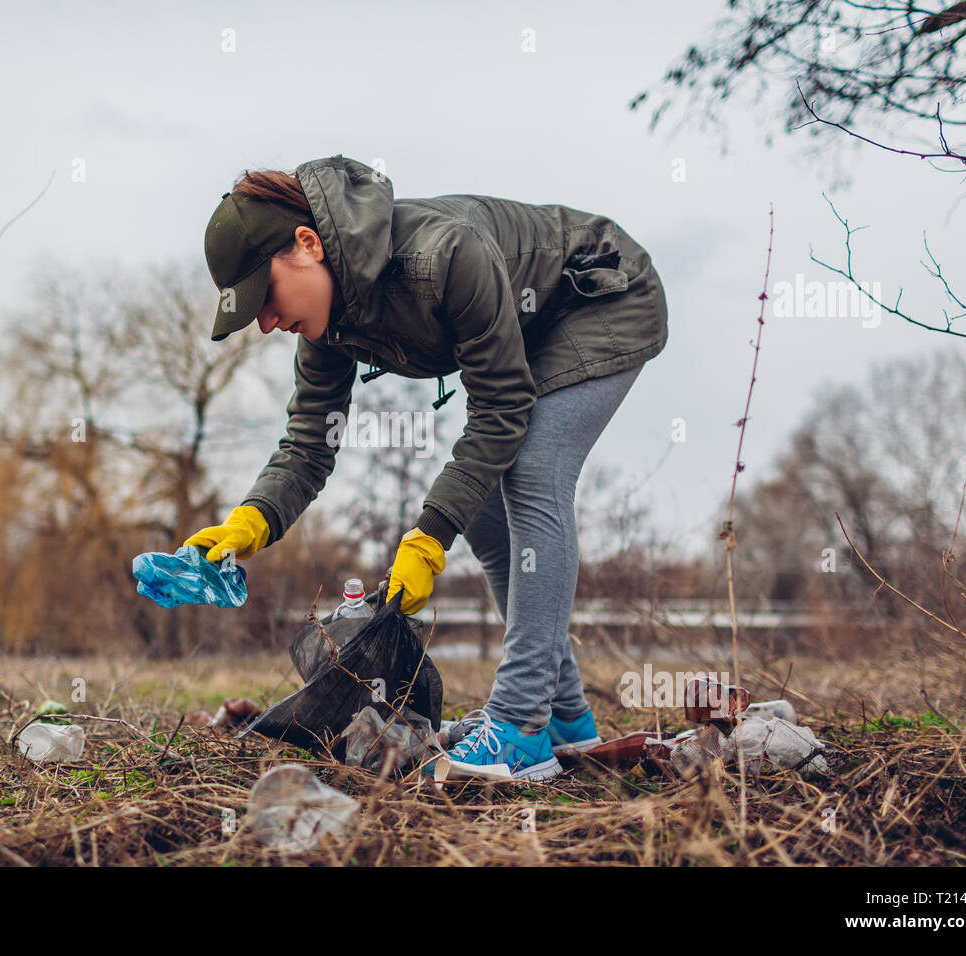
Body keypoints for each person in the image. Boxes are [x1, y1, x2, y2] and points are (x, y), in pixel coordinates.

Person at [183, 155, 668, 782]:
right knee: (487, 511)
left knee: (530, 471)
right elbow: (309, 441)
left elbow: (500, 408)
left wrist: (428, 538)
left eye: (267, 296)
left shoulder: (443, 256)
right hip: (536, 331)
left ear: (306, 244)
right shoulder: (325, 326)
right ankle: (565, 719)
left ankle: (521, 725)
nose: (270, 323)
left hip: (602, 294)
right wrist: (249, 523)